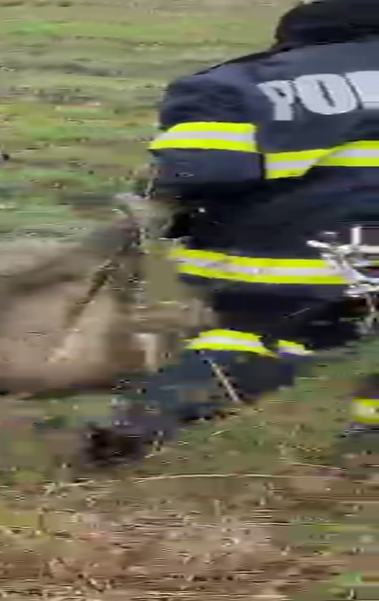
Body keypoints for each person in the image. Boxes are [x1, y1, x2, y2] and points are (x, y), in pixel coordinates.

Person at [85, 0, 379, 468]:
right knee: (335, 331)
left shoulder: (235, 83)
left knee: (248, 332)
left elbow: (196, 171)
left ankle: (148, 416)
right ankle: (366, 450)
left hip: (273, 251)